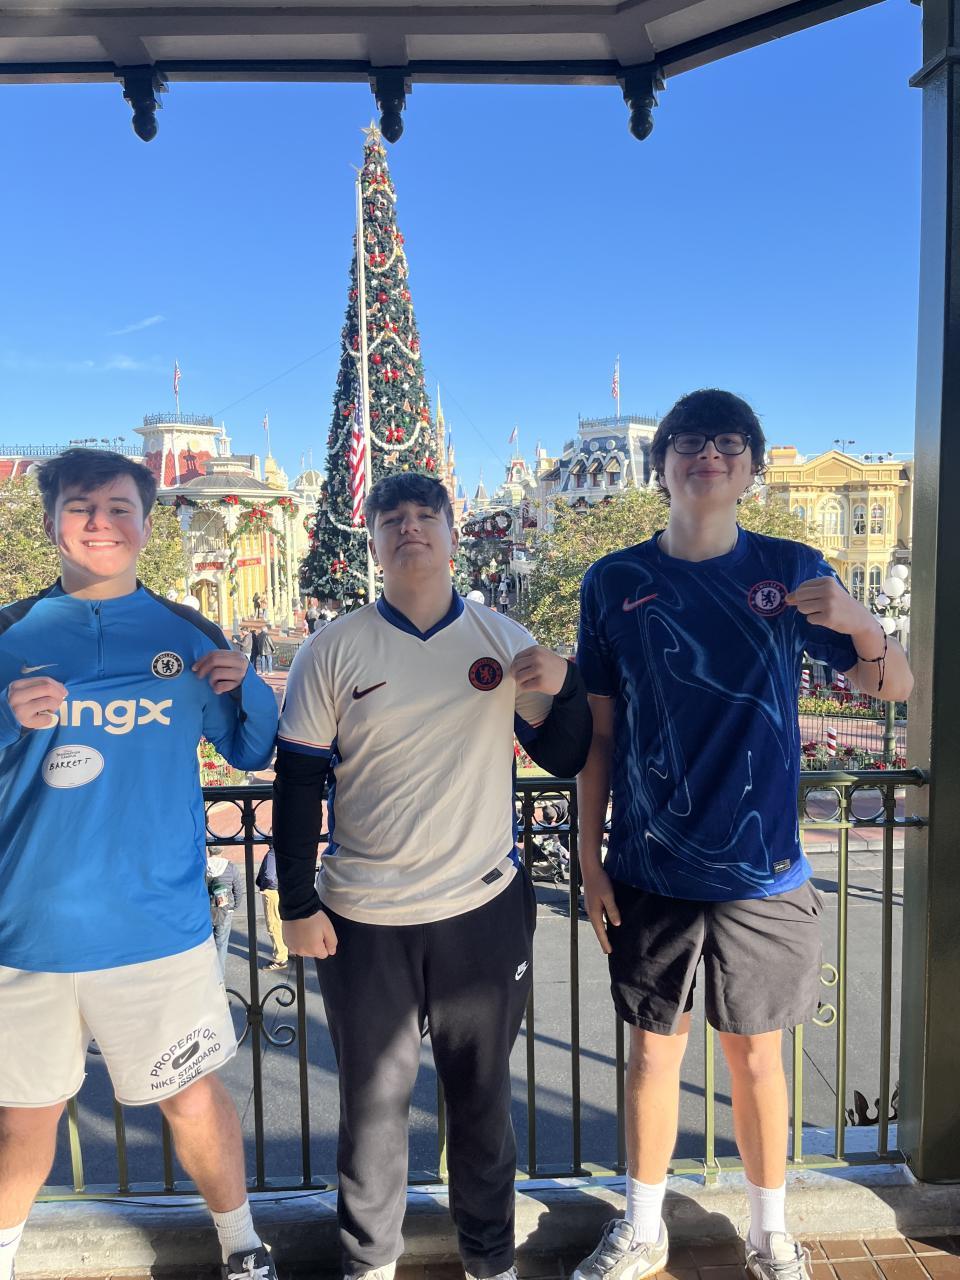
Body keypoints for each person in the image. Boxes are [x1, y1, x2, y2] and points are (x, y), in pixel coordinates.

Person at [572, 390, 913, 1280]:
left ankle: (770, 1232)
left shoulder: (791, 569)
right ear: (662, 465)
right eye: (689, 442)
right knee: (653, 1056)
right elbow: (599, 736)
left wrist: (863, 625)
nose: (709, 456)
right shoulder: (610, 582)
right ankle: (642, 1228)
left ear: (753, 469)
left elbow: (893, 687)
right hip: (649, 867)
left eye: (729, 443)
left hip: (765, 873)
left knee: (759, 1059)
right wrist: (588, 860)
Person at [272, 473, 592, 1280]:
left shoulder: (501, 637)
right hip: (362, 917)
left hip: (480, 911)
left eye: (425, 516)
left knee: (481, 1102)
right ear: (373, 543)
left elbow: (563, 754)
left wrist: (566, 687)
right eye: (392, 519)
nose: (409, 528)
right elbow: (298, 782)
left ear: (453, 534)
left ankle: (491, 1260)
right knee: (372, 1111)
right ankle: (369, 1263)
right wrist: (298, 901)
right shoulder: (331, 648)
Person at [0, 448, 281, 1280]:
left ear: (147, 525)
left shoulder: (187, 633)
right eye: (81, 507)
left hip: (158, 927)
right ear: (51, 523)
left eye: (119, 507)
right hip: (30, 931)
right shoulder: (9, 634)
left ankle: (242, 1246)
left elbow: (251, 749)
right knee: (23, 1121)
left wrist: (248, 689)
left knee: (192, 1100)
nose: (100, 522)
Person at [206, 847, 245, 975]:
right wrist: (234, 906)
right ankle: (219, 977)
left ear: (209, 850)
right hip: (225, 910)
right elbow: (238, 889)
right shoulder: (230, 867)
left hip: (206, 909)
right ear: (222, 851)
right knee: (221, 944)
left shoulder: (203, 866)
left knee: (205, 944)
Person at [255, 846, 288, 971]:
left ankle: (280, 958)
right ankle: (288, 950)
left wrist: (264, 887)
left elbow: (269, 876)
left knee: (273, 924)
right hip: (283, 889)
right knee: (283, 921)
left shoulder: (272, 854)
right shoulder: (285, 849)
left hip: (272, 891)